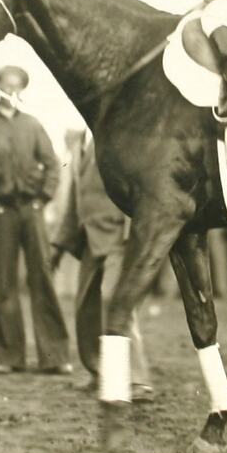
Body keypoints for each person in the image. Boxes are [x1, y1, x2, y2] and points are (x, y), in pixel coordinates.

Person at [0, 65, 72, 374]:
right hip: (1, 214)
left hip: (31, 211)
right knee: (4, 282)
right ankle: (7, 355)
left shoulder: (33, 126)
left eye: (17, 86)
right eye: (5, 85)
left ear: (23, 90)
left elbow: (52, 167)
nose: (11, 91)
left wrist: (42, 198)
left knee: (42, 278)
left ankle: (55, 356)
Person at [53, 133, 152, 401]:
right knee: (85, 306)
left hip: (118, 237)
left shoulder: (117, 135)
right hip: (88, 238)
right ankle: (99, 371)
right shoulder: (77, 143)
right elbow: (76, 198)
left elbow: (136, 187)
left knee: (115, 301)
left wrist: (134, 237)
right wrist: (60, 244)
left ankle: (138, 380)